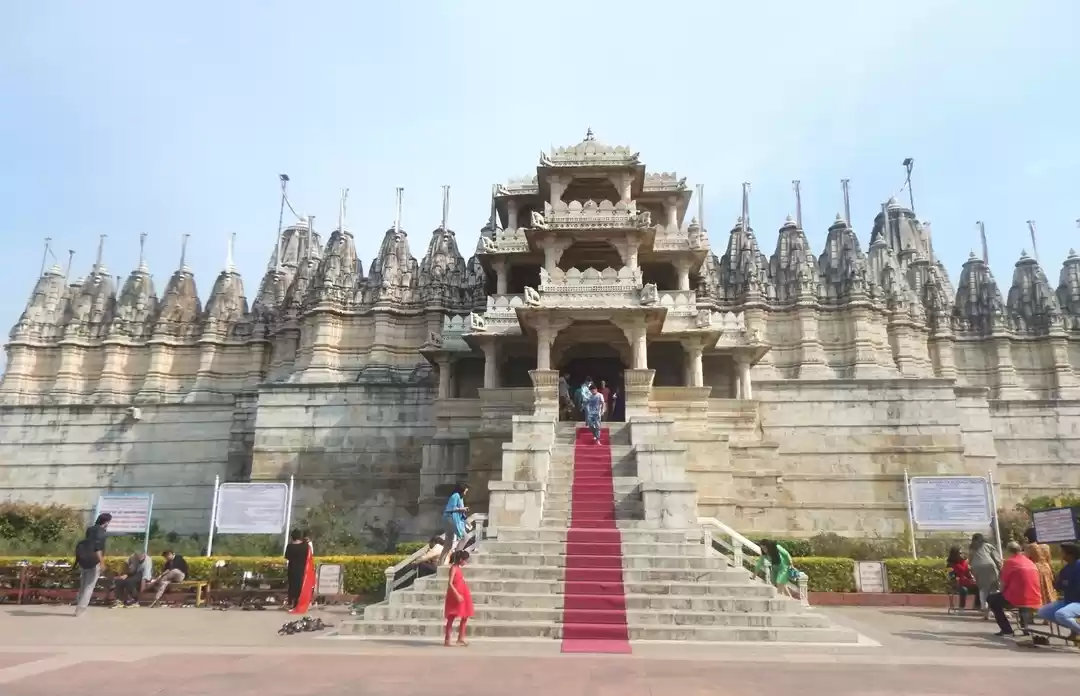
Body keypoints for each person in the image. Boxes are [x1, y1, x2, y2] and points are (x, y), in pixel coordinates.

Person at [986, 542, 1043, 636]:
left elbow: (1003, 584)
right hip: (1035, 596)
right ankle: (1025, 628)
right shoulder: (1029, 562)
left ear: (1008, 551)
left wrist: (1000, 592)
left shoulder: (1009, 562)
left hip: (1017, 597)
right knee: (1023, 598)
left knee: (992, 599)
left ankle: (1006, 629)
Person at [1036, 542, 1080, 641]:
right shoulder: (1065, 569)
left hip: (1078, 602)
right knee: (1043, 611)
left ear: (1071, 554)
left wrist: (1066, 584)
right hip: (1069, 601)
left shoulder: (1078, 566)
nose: (1061, 554)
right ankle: (1075, 629)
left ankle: (1076, 630)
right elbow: (1059, 586)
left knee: (1061, 614)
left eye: (1063, 552)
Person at [73, 513, 111, 616]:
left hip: (83, 559)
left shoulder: (90, 529)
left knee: (83, 585)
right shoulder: (101, 532)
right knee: (89, 586)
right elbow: (97, 548)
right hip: (94, 561)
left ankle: (78, 606)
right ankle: (81, 609)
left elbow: (88, 544)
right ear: (106, 522)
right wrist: (102, 562)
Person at [443, 550, 474, 647]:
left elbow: (460, 579)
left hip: (463, 594)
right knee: (451, 616)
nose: (466, 562)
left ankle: (461, 638)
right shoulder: (453, 568)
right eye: (465, 560)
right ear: (460, 559)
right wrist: (456, 594)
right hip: (455, 595)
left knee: (465, 615)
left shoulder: (458, 568)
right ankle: (447, 639)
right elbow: (450, 583)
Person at [968, 533, 1001, 619]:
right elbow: (996, 559)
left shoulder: (972, 548)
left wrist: (972, 571)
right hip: (990, 567)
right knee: (994, 589)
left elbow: (970, 561)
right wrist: (1000, 569)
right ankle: (997, 611)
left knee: (983, 589)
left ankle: (986, 613)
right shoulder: (988, 546)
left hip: (977, 568)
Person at [1023, 526, 1057, 605]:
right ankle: (1050, 603)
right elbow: (1049, 560)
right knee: (1048, 587)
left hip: (1036, 568)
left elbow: (1026, 560)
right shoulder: (1046, 546)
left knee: (1039, 589)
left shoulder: (1030, 547)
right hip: (1047, 567)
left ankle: (1041, 604)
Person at [438, 484, 470, 566]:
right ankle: (457, 558)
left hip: (450, 520)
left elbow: (461, 514)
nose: (465, 493)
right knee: (465, 537)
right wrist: (461, 509)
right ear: (461, 490)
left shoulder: (460, 498)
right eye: (465, 491)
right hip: (451, 519)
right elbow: (450, 509)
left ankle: (440, 562)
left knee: (448, 543)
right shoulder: (455, 496)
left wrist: (466, 519)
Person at [946, 546, 980, 610]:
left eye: (961, 553)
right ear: (954, 554)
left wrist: (971, 577)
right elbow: (951, 575)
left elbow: (968, 573)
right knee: (964, 589)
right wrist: (956, 580)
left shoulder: (964, 562)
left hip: (966, 582)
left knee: (978, 587)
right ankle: (961, 607)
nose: (961, 554)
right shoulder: (949, 565)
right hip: (956, 583)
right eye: (959, 553)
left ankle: (977, 606)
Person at [284, 529, 308, 610]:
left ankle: (292, 602)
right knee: (300, 585)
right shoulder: (305, 546)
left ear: (292, 537)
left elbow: (287, 557)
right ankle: (300, 602)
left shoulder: (290, 546)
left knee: (292, 585)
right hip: (302, 568)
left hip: (292, 568)